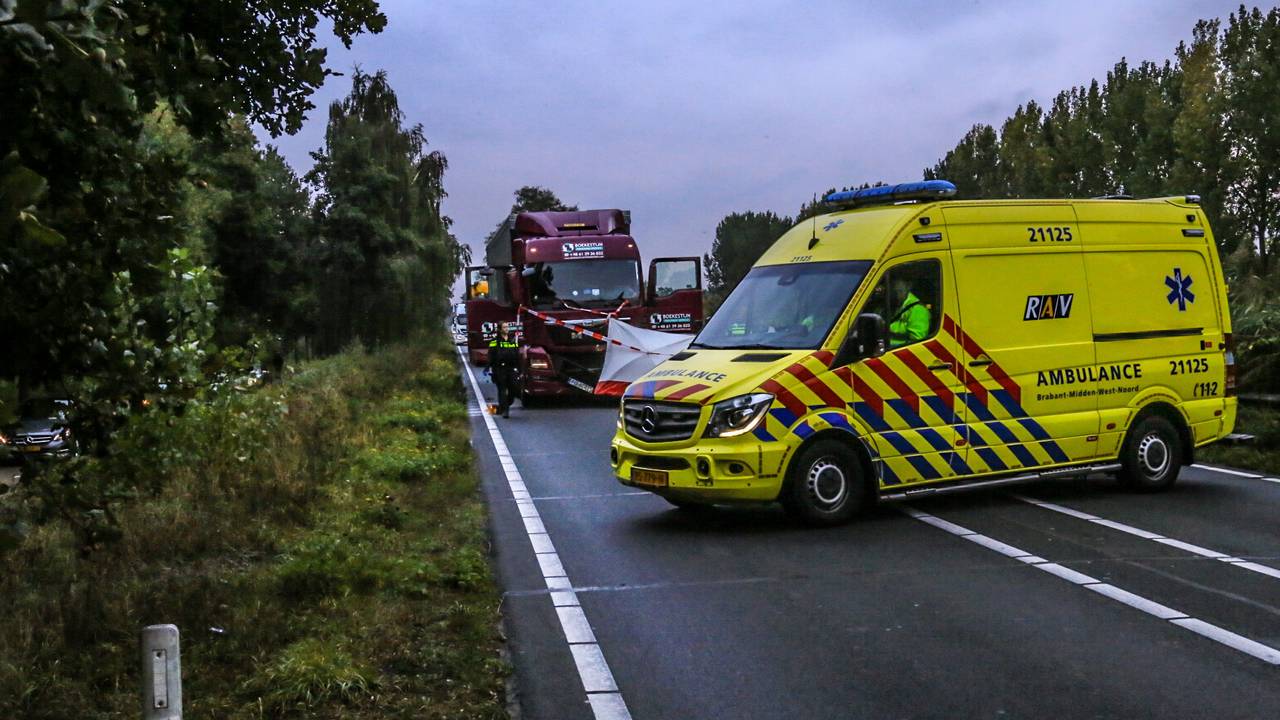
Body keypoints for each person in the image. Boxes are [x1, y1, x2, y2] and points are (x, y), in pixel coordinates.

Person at [888, 276, 931, 348]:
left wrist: (890, 333)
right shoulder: (893, 305)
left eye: (900, 291)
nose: (897, 295)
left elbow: (917, 339)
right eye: (895, 292)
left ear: (908, 287)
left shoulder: (917, 309)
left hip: (900, 351)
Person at [488, 322, 520, 418]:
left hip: (511, 368)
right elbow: (491, 356)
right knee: (502, 390)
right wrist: (491, 370)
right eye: (504, 327)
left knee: (513, 388)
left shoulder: (512, 340)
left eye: (507, 327)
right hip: (499, 369)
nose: (507, 329)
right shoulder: (495, 341)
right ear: (500, 329)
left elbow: (516, 354)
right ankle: (505, 411)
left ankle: (504, 405)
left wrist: (518, 369)